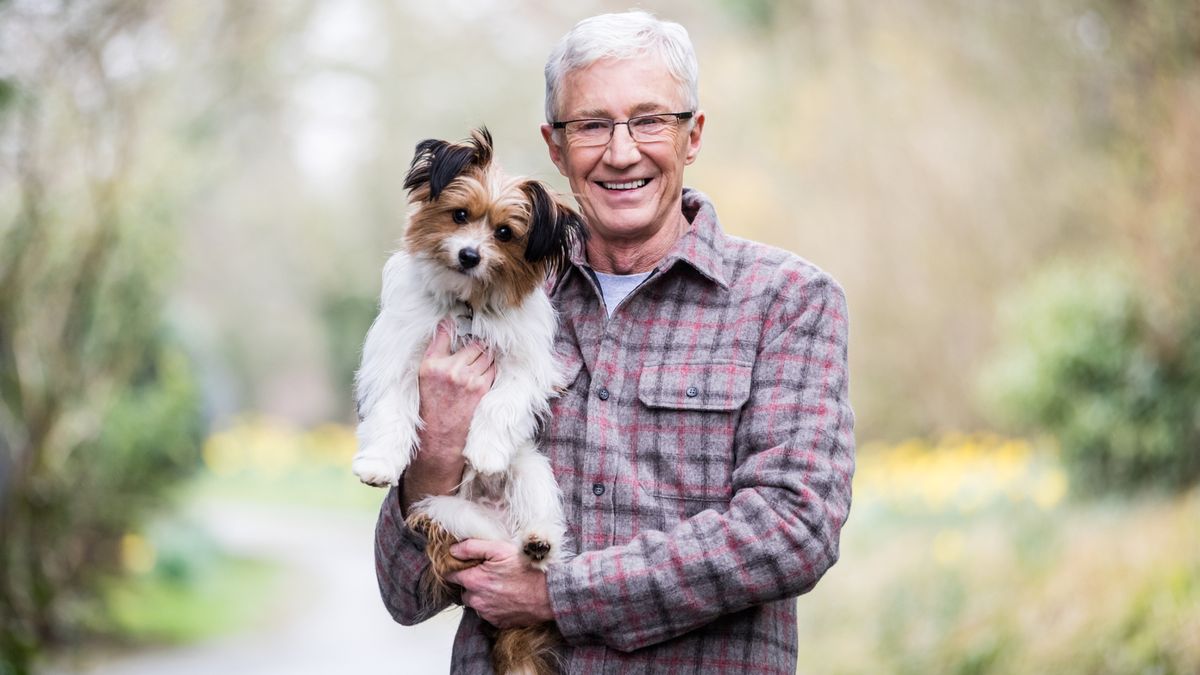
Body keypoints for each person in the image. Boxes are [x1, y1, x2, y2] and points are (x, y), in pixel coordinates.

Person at [373, 10, 855, 673]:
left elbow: (793, 529)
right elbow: (403, 594)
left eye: (651, 120)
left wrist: (557, 592)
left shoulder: (788, 301)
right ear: (555, 146)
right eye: (592, 125)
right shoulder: (483, 297)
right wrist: (437, 446)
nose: (621, 151)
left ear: (694, 136)